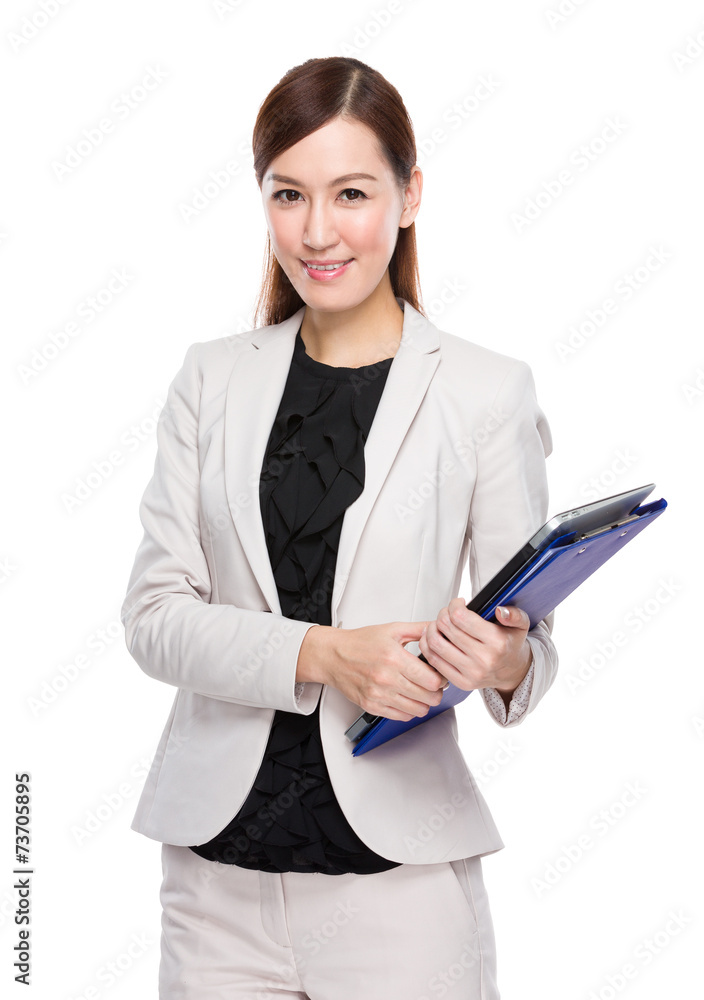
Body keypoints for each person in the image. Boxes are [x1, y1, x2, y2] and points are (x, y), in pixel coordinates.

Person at [120, 55, 558, 1000]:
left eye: (351, 193)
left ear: (408, 198)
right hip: (215, 886)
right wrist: (325, 653)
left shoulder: (488, 391)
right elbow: (154, 619)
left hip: (403, 892)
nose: (317, 232)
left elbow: (531, 652)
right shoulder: (210, 379)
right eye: (289, 195)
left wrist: (503, 662)